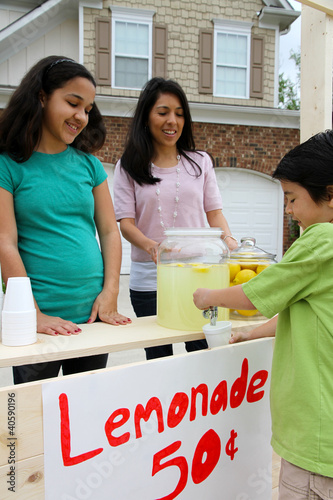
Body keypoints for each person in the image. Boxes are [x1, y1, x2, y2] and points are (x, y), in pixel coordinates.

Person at [193, 130, 333, 500]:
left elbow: (256, 296)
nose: (288, 210)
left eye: (292, 198)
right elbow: (303, 310)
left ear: (330, 195)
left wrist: (208, 294)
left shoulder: (321, 240)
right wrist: (250, 335)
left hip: (315, 439)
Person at [0, 55, 131, 384]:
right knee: (34, 423)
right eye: (73, 103)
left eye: (87, 109)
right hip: (38, 324)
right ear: (42, 97)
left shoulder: (90, 166)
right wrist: (34, 316)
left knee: (85, 416)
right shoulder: (9, 165)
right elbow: (5, 242)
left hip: (92, 319)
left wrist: (111, 292)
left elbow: (109, 233)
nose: (81, 117)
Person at [113, 77, 237, 360]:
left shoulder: (200, 161)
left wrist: (231, 245)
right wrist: (152, 246)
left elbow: (215, 213)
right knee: (159, 359)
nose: (172, 121)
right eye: (163, 112)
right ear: (146, 116)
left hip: (200, 275)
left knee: (201, 352)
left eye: (180, 114)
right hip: (149, 280)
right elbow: (126, 224)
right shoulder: (128, 166)